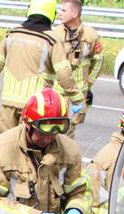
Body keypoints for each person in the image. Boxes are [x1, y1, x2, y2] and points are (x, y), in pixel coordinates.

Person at [0, 0, 84, 134]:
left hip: (8, 104)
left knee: (5, 148)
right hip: (35, 106)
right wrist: (77, 98)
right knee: (29, 148)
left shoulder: (12, 34)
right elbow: (63, 74)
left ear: (29, 10)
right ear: (52, 15)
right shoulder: (52, 40)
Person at [50, 0, 103, 135]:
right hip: (57, 92)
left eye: (64, 11)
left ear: (75, 13)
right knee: (52, 130)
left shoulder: (91, 35)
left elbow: (98, 62)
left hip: (78, 95)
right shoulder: (55, 34)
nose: (59, 14)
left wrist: (88, 83)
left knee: (68, 133)